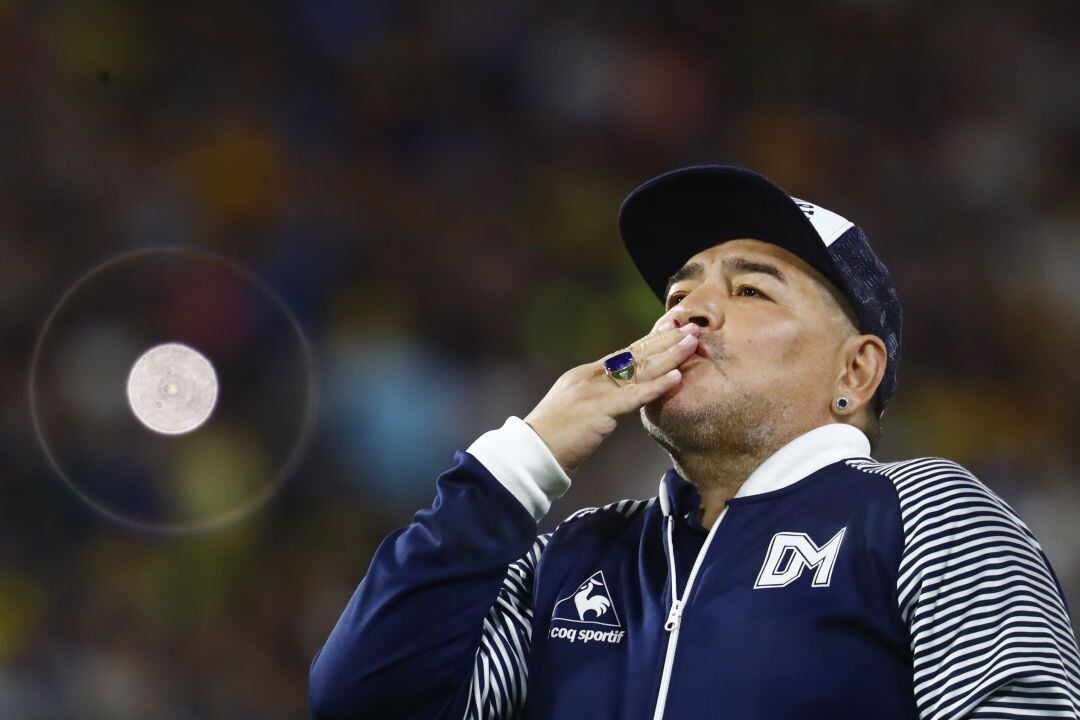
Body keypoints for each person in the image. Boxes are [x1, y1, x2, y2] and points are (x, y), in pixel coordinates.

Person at [308, 166, 1080, 719]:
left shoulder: (925, 514)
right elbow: (362, 701)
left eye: (749, 290)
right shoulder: (574, 555)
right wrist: (522, 459)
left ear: (855, 369)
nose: (689, 314)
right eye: (678, 294)